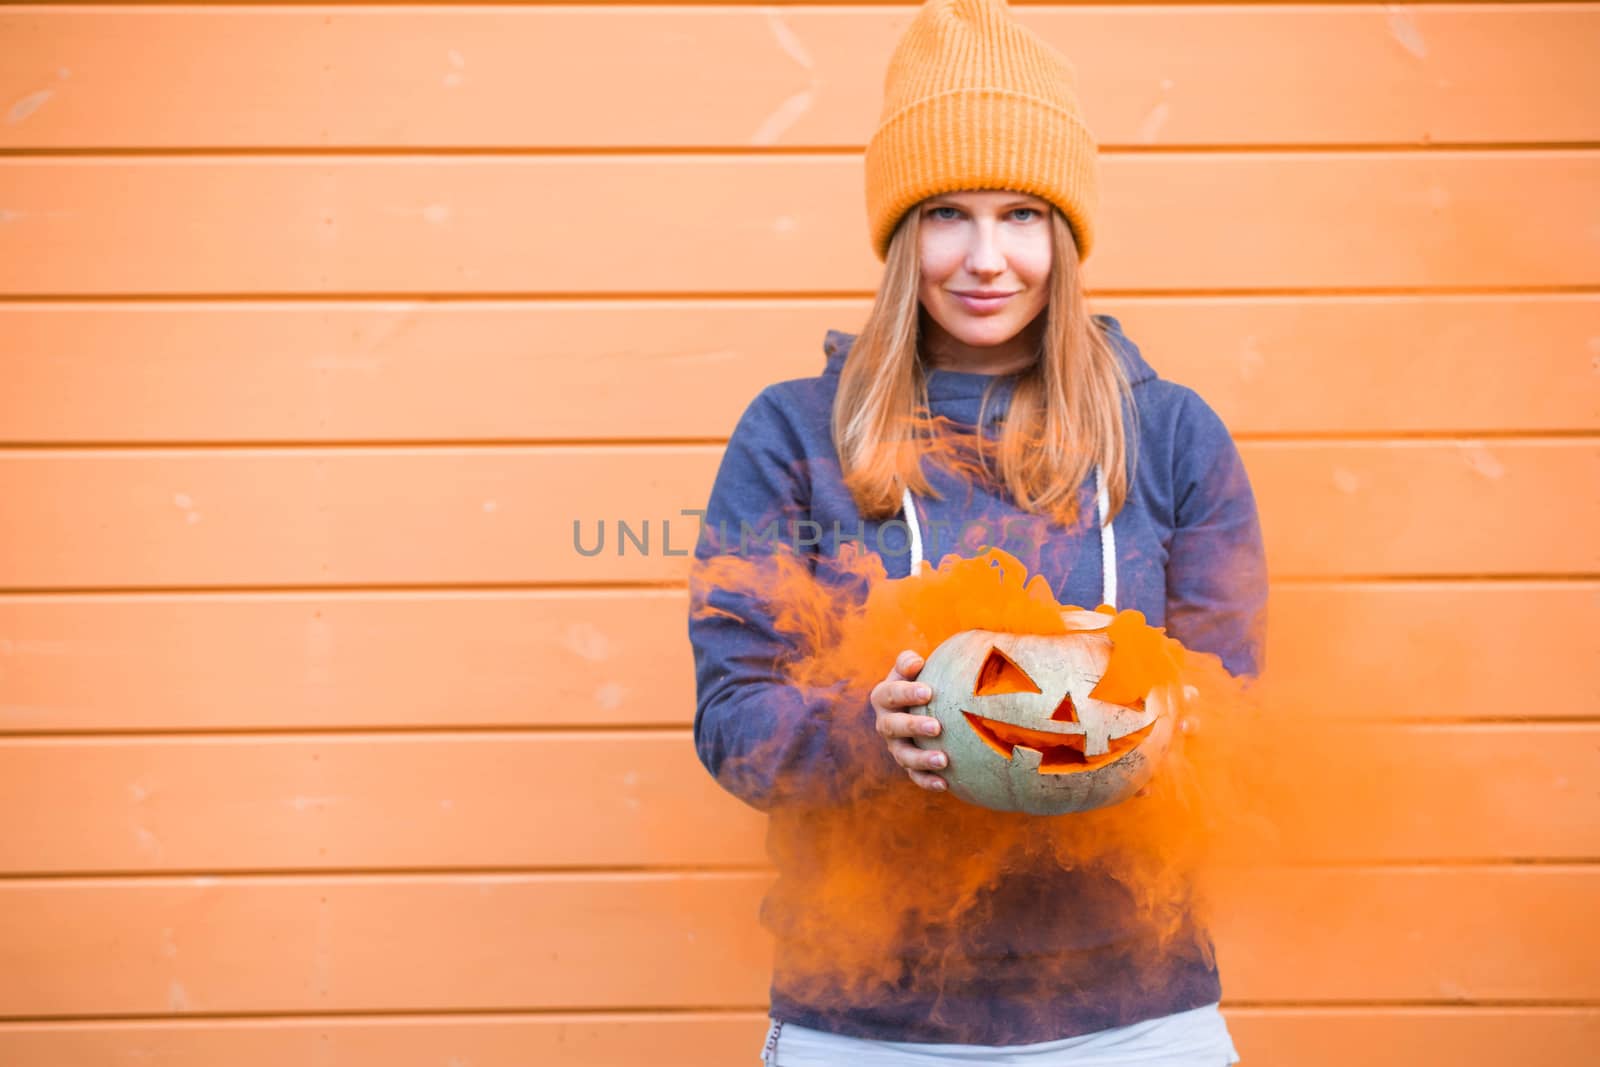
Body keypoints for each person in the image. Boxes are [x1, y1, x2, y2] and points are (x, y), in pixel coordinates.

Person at [688, 0, 1267, 1062]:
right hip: (866, 1019)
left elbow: (1235, 694)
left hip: (1136, 1009)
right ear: (900, 235)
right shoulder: (791, 435)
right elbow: (731, 717)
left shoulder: (1173, 435)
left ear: (1067, 232)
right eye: (947, 212)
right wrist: (871, 732)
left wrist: (1177, 712)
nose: (986, 257)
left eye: (1023, 214)